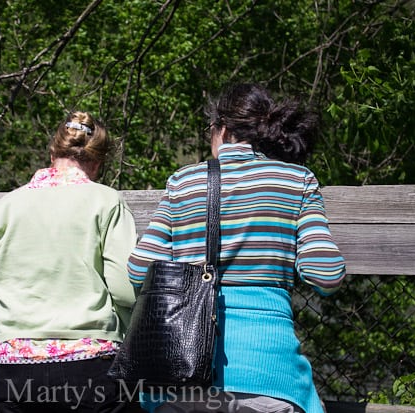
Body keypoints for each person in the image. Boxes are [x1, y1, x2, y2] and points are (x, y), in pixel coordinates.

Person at [127, 83, 347, 413]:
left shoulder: (183, 181)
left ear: (223, 129)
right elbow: (326, 274)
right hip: (271, 378)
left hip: (181, 377)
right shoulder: (297, 180)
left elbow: (138, 269)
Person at [0, 111, 137, 413]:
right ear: (97, 163)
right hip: (90, 360)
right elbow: (125, 289)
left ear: (52, 152)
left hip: (15, 362)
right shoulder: (107, 201)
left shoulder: (6, 206)